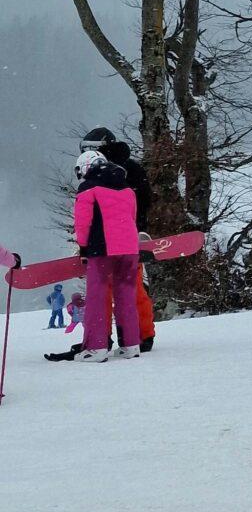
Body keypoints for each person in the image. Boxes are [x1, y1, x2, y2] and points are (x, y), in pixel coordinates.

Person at [82, 127, 157, 352]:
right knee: (130, 287)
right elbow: (142, 200)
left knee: (102, 291)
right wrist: (136, 228)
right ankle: (139, 337)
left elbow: (88, 213)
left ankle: (99, 341)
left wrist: (86, 244)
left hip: (103, 243)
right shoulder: (127, 170)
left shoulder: (97, 175)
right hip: (128, 240)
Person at [73, 147, 141, 361]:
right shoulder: (127, 187)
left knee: (97, 297)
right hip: (129, 248)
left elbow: (83, 223)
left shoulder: (88, 188)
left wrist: (83, 247)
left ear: (85, 167)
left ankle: (96, 348)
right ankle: (131, 345)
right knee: (127, 297)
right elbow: (132, 217)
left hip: (101, 248)